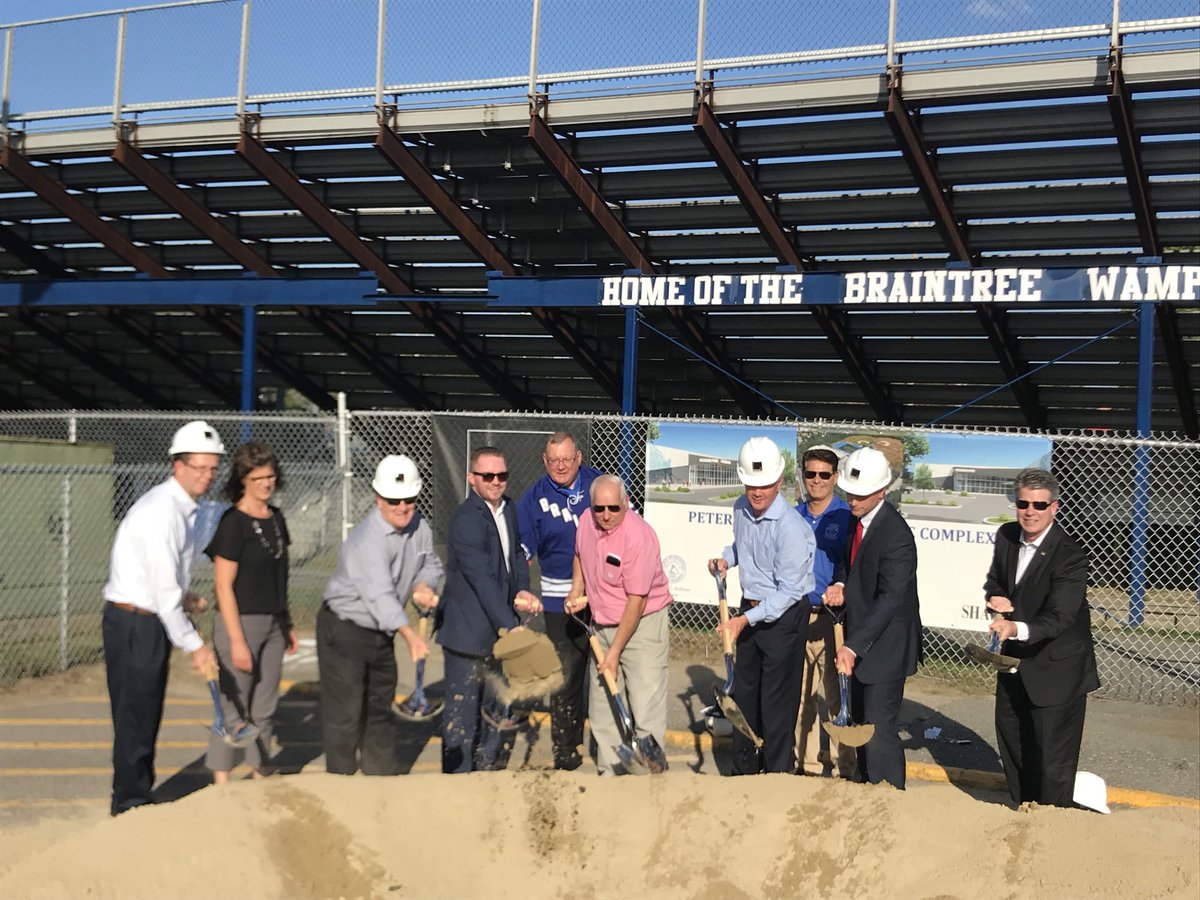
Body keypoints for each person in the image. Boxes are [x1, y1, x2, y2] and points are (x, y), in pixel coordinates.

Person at [101, 420, 222, 816]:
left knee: (144, 712)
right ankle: (130, 803)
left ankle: (136, 795)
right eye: (199, 467)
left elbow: (164, 582)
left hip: (147, 617)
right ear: (178, 466)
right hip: (136, 623)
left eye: (212, 468)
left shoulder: (182, 508)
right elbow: (162, 595)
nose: (207, 476)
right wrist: (196, 646)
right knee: (136, 716)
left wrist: (185, 597)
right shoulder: (163, 512)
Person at [984, 468, 1099, 808]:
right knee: (1014, 742)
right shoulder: (1006, 536)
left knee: (1052, 758)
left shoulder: (1070, 556)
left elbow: (1059, 617)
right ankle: (1023, 810)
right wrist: (997, 598)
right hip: (1014, 665)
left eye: (1038, 504)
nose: (1030, 511)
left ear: (1054, 508)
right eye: (1023, 503)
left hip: (1056, 669)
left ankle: (1052, 824)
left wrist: (1014, 627)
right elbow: (996, 581)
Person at [318, 455, 439, 775]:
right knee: (345, 711)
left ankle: (379, 781)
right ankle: (340, 783)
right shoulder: (366, 541)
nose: (403, 506)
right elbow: (380, 596)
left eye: (409, 499)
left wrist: (424, 584)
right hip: (345, 628)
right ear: (377, 498)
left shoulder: (420, 526)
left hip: (380, 632)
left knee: (379, 707)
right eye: (393, 500)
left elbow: (430, 563)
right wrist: (410, 635)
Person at [708, 436, 816, 775]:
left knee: (776, 708)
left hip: (783, 619)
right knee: (745, 698)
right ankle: (743, 775)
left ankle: (776, 779)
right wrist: (726, 560)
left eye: (765, 485)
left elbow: (786, 593)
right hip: (750, 611)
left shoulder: (792, 530)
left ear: (780, 482)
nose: (757, 492)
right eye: (751, 484)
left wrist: (744, 621)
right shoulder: (740, 507)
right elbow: (743, 547)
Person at [437, 446, 541, 774]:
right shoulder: (467, 520)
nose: (496, 482)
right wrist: (510, 627)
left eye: (502, 475)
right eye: (488, 476)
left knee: (494, 717)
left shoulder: (508, 509)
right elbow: (482, 581)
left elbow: (515, 560)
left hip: (497, 635)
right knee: (462, 724)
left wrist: (523, 589)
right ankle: (456, 790)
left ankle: (486, 780)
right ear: (472, 478)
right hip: (468, 637)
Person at [824, 446, 921, 790]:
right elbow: (848, 566)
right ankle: (867, 787)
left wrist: (852, 646)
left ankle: (889, 797)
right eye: (850, 493)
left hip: (886, 647)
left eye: (861, 495)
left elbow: (890, 599)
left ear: (881, 491)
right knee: (862, 727)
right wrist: (840, 585)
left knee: (880, 733)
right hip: (861, 642)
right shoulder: (857, 521)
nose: (852, 500)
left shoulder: (896, 537)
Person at [565, 474, 672, 775]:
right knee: (603, 704)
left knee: (644, 702)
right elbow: (579, 555)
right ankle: (610, 775)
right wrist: (577, 590)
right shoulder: (587, 521)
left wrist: (614, 654)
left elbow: (636, 602)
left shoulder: (638, 536)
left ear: (626, 503)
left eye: (613, 508)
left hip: (643, 624)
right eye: (600, 508)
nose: (606, 515)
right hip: (601, 624)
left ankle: (648, 777)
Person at [205, 441, 298, 784]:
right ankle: (221, 782)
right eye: (258, 477)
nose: (266, 483)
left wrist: (285, 622)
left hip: (273, 623)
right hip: (239, 623)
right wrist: (236, 640)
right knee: (234, 708)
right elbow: (223, 587)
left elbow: (279, 577)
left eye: (271, 476)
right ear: (243, 479)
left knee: (265, 706)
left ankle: (260, 770)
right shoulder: (233, 522)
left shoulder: (276, 519)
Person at [517, 431, 600, 770]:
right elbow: (522, 553)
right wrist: (520, 591)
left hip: (602, 596)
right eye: (555, 461)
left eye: (567, 459)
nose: (561, 466)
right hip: (558, 600)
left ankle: (614, 747)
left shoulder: (601, 486)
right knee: (566, 677)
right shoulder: (533, 499)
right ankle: (566, 751)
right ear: (545, 461)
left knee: (609, 672)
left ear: (579, 457)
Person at [793, 445, 855, 778]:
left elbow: (853, 567)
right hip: (800, 616)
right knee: (801, 697)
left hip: (834, 621)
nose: (816, 481)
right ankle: (808, 765)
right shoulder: (794, 515)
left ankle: (845, 767)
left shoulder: (846, 517)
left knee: (836, 697)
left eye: (823, 474)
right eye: (810, 473)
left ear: (835, 477)